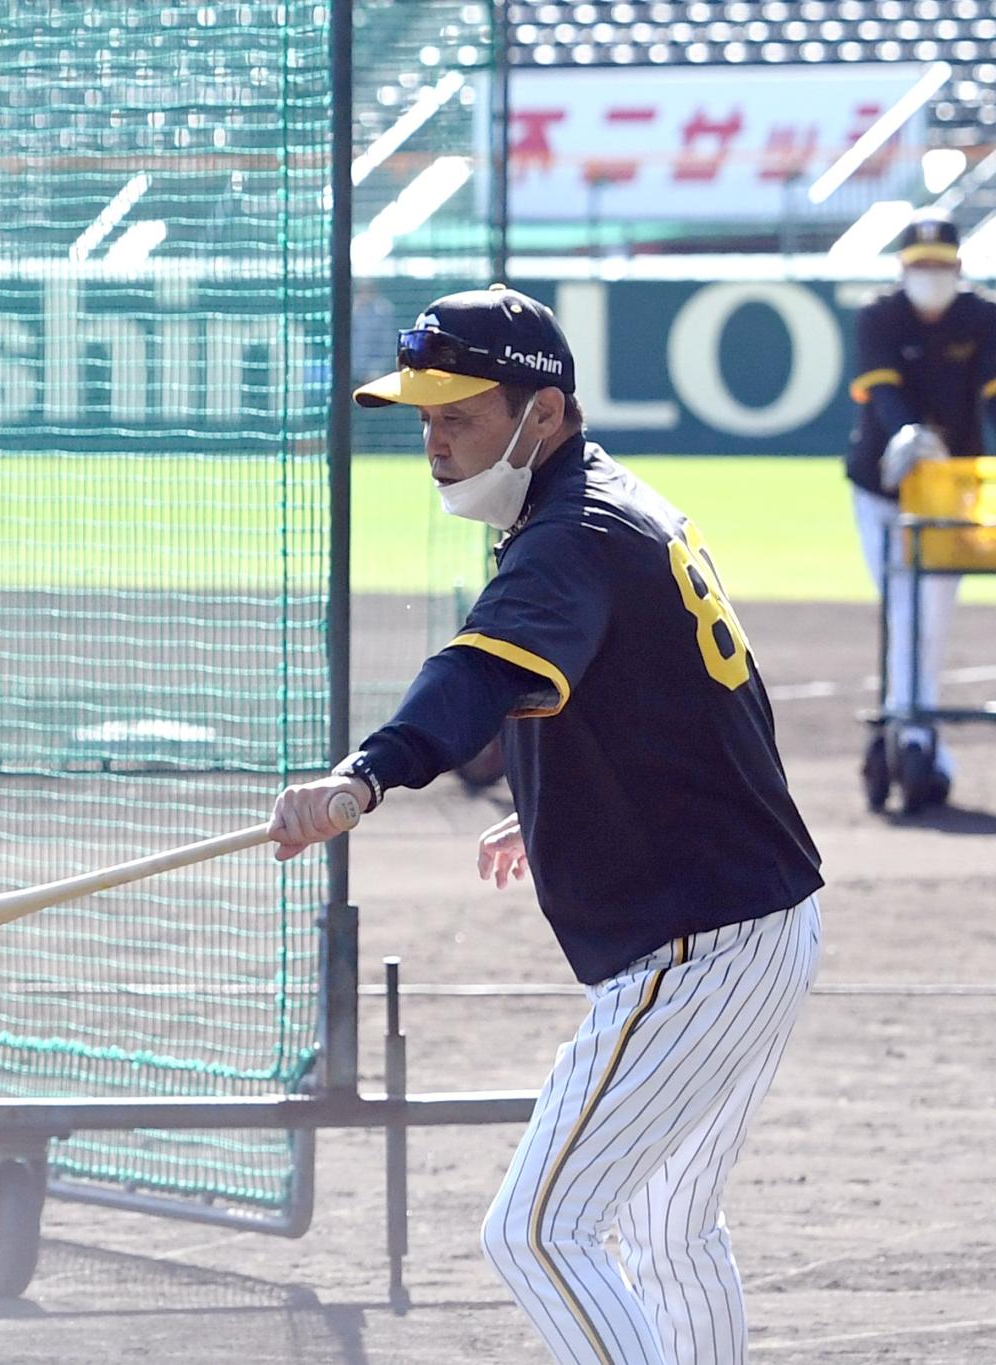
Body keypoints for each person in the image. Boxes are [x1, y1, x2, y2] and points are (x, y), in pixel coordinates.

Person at [267, 286, 824, 1364]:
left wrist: (364, 777)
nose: (432, 442)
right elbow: (687, 700)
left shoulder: (568, 533)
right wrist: (555, 799)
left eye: (459, 415)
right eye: (423, 418)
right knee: (668, 1230)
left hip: (699, 948)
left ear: (545, 415)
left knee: (535, 1228)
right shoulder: (608, 507)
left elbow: (473, 672)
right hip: (758, 921)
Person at [844, 209, 996, 812]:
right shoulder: (879, 317)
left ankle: (910, 733)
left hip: (949, 491)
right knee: (903, 605)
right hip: (879, 487)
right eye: (920, 266)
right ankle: (915, 735)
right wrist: (905, 432)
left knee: (924, 611)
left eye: (941, 266)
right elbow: (880, 391)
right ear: (903, 270)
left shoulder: (982, 319)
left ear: (958, 267)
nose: (930, 276)